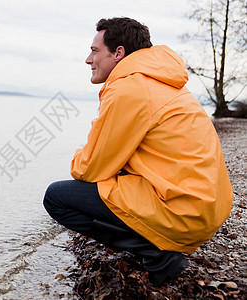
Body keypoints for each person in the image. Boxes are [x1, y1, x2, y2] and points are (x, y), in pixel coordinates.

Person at [43, 17, 233, 286]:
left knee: (56, 197)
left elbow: (90, 168)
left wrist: (79, 158)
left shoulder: (130, 87)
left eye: (95, 50)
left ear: (118, 53)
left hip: (183, 211)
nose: (88, 59)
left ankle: (158, 254)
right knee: (110, 181)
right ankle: (157, 246)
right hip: (206, 207)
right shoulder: (159, 80)